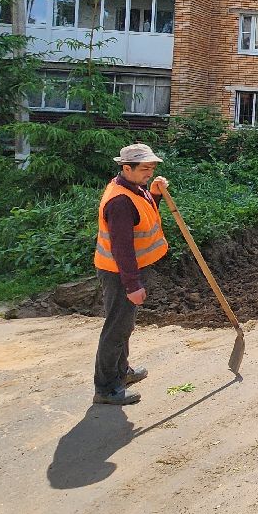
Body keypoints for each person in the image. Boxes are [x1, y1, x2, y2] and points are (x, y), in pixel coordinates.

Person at [92, 143, 170, 405]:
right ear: (127, 168)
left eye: (152, 168)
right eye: (145, 168)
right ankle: (105, 389)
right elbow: (122, 247)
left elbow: (144, 218)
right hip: (119, 272)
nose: (150, 173)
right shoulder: (120, 202)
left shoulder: (134, 189)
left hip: (129, 269)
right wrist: (132, 285)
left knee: (125, 326)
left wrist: (155, 195)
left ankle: (121, 372)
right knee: (116, 329)